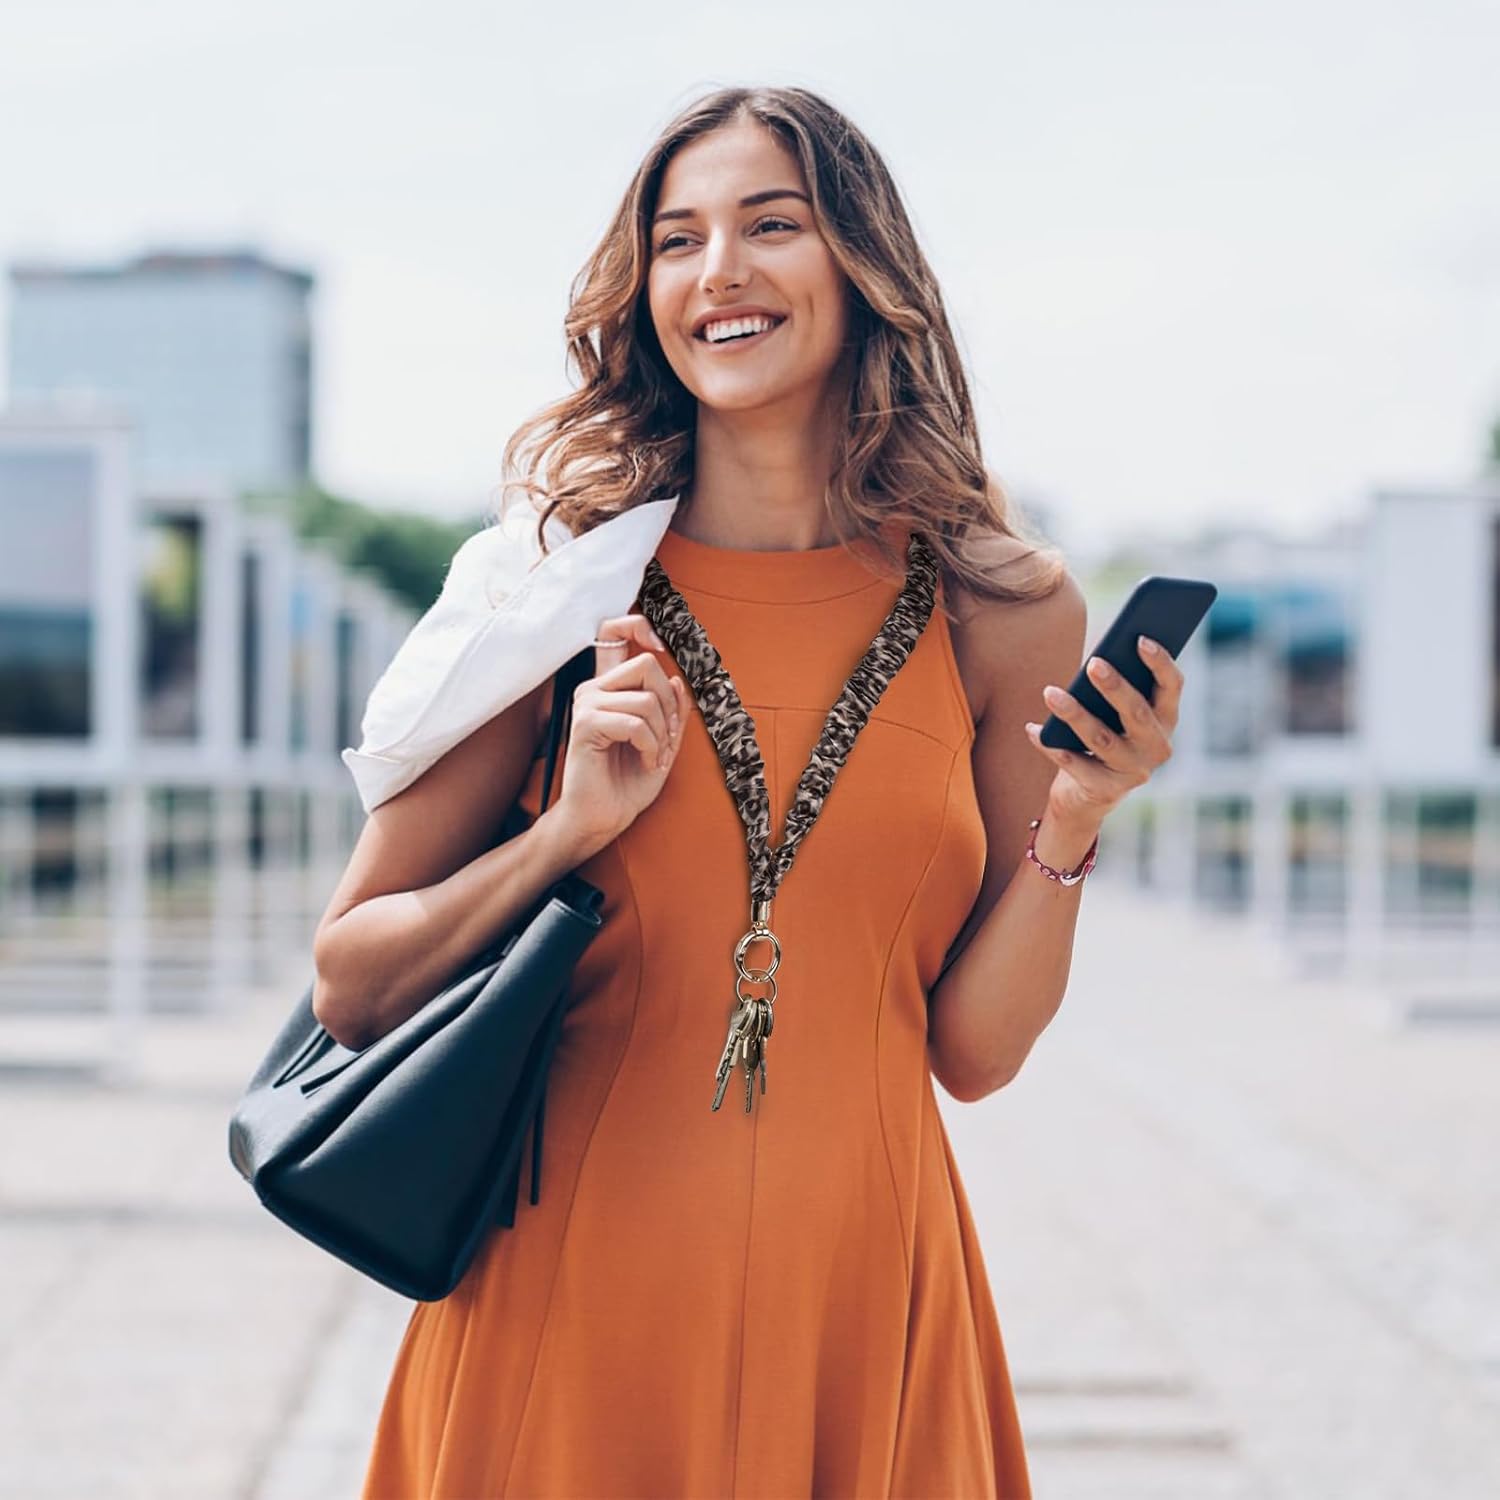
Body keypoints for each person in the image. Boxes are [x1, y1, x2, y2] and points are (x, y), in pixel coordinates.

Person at [313, 84, 1184, 1500]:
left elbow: (970, 1050)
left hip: (867, 1297)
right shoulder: (558, 591)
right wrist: (566, 836)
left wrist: (1073, 826)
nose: (717, 270)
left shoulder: (1003, 609)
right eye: (678, 238)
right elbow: (350, 983)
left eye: (769, 224)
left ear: (862, 264)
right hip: (569, 1305)